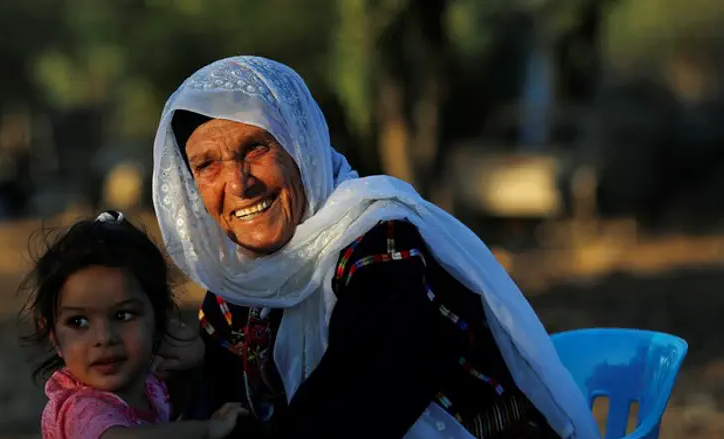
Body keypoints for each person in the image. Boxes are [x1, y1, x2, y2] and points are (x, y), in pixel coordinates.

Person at [151, 56, 600, 439]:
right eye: (207, 165)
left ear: (301, 146)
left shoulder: (383, 247)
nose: (239, 184)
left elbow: (355, 413)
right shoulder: (236, 289)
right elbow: (223, 409)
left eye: (255, 149)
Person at [18, 210, 246, 439]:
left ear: (158, 320)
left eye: (123, 316)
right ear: (54, 336)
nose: (104, 337)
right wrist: (206, 429)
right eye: (78, 322)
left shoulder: (148, 386)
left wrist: (199, 359)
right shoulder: (81, 408)